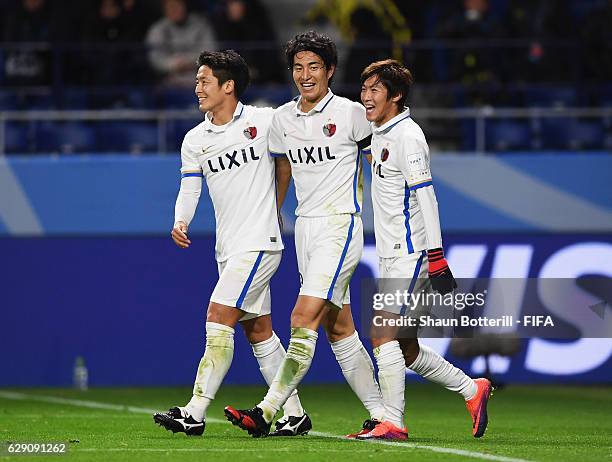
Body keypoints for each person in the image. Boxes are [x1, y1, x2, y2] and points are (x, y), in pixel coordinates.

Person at [224, 31, 386, 438]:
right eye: (298, 67)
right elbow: (283, 169)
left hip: (340, 225)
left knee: (301, 316)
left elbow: (376, 163)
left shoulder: (351, 114)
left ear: (330, 71)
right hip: (305, 229)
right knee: (339, 327)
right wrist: (271, 214)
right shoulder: (282, 119)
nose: (305, 74)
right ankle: (383, 414)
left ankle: (269, 410)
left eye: (314, 66)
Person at [153, 49, 311, 437]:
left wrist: (273, 208)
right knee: (258, 331)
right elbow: (189, 187)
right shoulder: (195, 139)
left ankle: (194, 410)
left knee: (217, 315)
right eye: (197, 81)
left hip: (260, 243)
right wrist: (181, 220)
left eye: (204, 81)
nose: (197, 88)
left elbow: (287, 160)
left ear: (229, 86)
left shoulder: (263, 119)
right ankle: (294, 414)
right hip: (228, 247)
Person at [358, 59, 492, 440]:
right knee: (406, 346)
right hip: (390, 251)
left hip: (412, 252)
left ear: (396, 96)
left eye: (374, 91)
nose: (366, 97)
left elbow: (427, 197)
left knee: (382, 334)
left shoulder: (408, 136)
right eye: (364, 89)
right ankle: (472, 389)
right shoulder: (379, 129)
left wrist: (436, 256)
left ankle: (393, 421)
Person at [145, 0, 217, 86]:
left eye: (178, 5)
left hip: (199, 77)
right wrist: (174, 64)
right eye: (171, 6)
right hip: (167, 80)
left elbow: (210, 52)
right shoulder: (158, 29)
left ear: (185, 6)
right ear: (165, 9)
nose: (175, 9)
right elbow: (155, 59)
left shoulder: (201, 24)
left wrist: (188, 62)